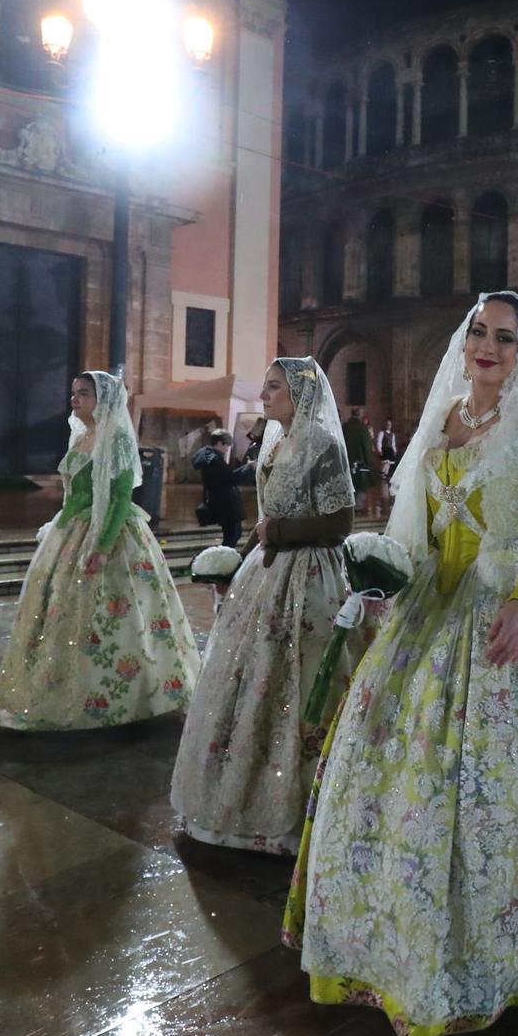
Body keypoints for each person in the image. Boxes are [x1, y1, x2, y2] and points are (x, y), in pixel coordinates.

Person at [282, 291, 518, 1036]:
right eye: (480, 332)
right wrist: (386, 587)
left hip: (509, 610)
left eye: (506, 338)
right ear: (463, 342)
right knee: (389, 763)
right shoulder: (442, 420)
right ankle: (391, 931)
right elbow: (416, 523)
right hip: (431, 608)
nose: (489, 347)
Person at [173, 357, 355, 853]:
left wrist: (278, 533)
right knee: (252, 679)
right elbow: (266, 518)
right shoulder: (275, 442)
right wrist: (243, 556)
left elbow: (340, 522)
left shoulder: (324, 444)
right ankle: (249, 787)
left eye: (274, 387)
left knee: (303, 675)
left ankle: (305, 798)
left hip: (311, 576)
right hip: (268, 573)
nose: (264, 395)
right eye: (266, 386)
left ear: (301, 394)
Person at [0, 371, 199, 730]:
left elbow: (119, 497)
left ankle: (127, 695)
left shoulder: (117, 440)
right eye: (74, 393)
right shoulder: (82, 436)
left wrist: (102, 546)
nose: (74, 399)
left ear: (105, 401)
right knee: (61, 614)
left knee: (116, 616)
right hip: (71, 531)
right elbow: (73, 493)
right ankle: (54, 688)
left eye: (83, 394)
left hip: (109, 536)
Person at [191, 428, 247, 546]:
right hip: (226, 504)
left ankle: (226, 559)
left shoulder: (209, 457)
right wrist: (249, 468)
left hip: (222, 502)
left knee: (234, 535)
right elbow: (230, 479)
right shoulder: (215, 460)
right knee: (232, 536)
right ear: (219, 443)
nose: (227, 449)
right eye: (226, 445)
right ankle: (224, 560)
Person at [343, 405, 378, 509]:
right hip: (361, 464)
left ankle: (349, 506)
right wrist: (370, 461)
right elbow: (367, 447)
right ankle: (358, 506)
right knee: (361, 486)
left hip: (347, 463)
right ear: (359, 414)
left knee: (350, 485)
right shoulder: (363, 428)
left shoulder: (344, 427)